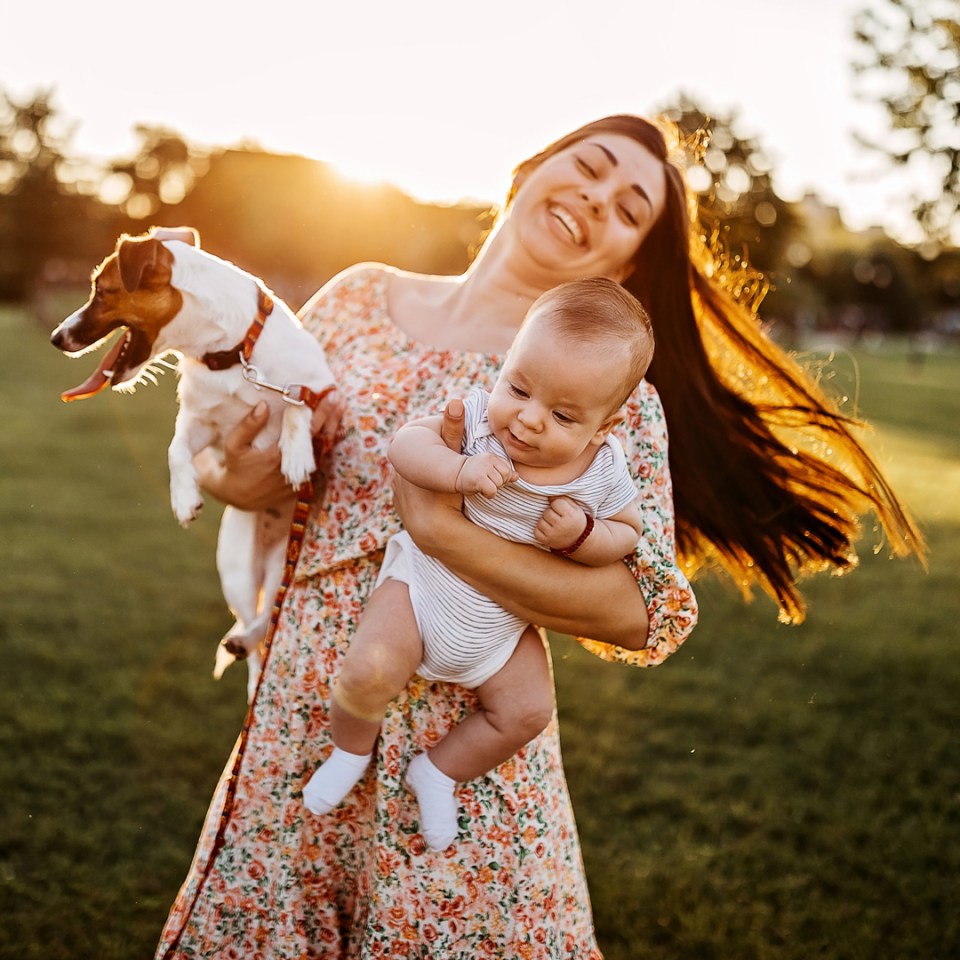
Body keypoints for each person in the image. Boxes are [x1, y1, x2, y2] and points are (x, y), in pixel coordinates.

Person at [155, 114, 922, 959]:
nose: (597, 199)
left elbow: (643, 611)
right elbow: (254, 473)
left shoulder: (611, 404)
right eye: (589, 169)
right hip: (310, 720)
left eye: (629, 209)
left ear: (626, 264)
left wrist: (441, 533)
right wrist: (242, 473)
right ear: (527, 171)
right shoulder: (356, 298)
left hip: (469, 775)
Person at [302, 278, 653, 851]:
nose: (529, 419)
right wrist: (458, 472)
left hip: (501, 628)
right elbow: (405, 446)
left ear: (605, 427)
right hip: (423, 589)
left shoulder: (604, 472)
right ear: (506, 365)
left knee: (527, 712)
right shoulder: (475, 422)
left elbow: (627, 536)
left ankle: (438, 772)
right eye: (518, 387)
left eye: (564, 416)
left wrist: (584, 535)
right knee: (367, 672)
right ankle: (349, 749)